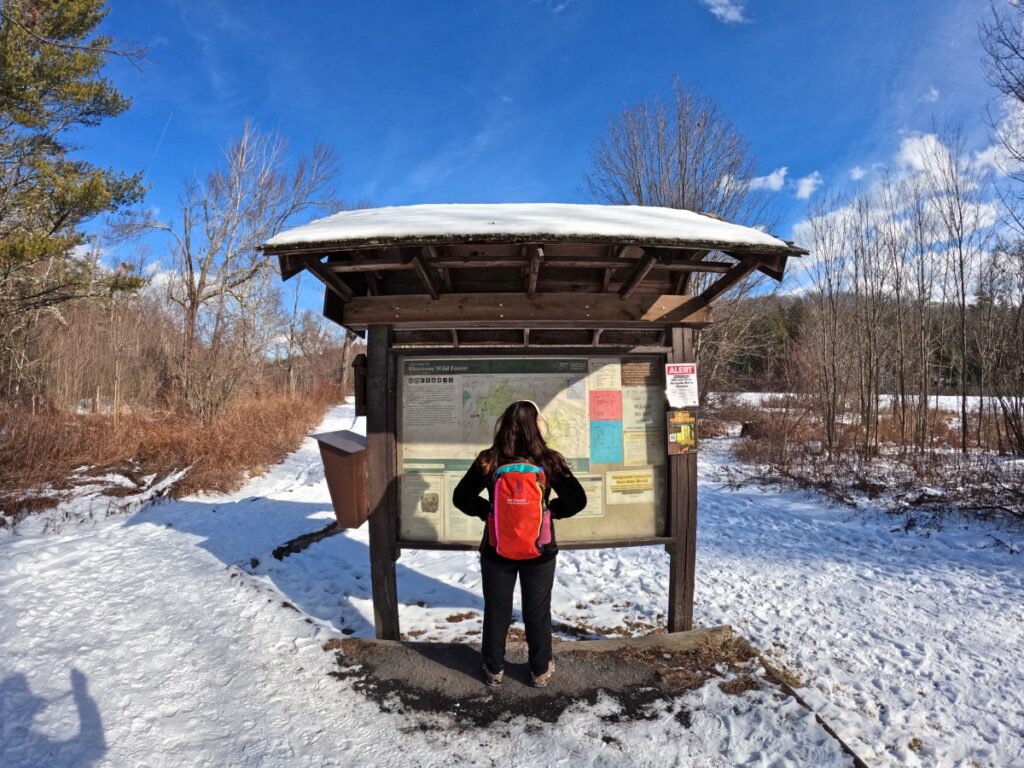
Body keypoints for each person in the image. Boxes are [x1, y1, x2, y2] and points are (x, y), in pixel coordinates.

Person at [452, 399, 587, 688]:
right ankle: (539, 670)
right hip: (539, 550)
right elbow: (578, 500)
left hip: (496, 548)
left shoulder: (490, 460)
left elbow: (460, 497)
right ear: (536, 425)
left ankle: (493, 669)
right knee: (537, 609)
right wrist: (551, 512)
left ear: (504, 426)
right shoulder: (549, 461)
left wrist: (487, 513)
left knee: (497, 609)